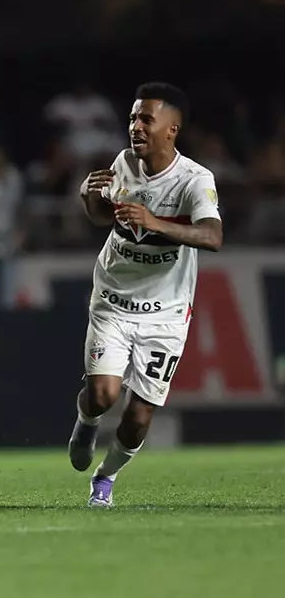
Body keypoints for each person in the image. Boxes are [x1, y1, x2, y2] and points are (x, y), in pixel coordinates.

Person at [69, 83, 222, 507]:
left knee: (139, 417)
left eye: (146, 119)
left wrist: (156, 222)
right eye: (133, 117)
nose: (135, 126)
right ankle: (86, 422)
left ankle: (106, 478)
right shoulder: (123, 164)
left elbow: (212, 236)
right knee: (102, 395)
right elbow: (108, 220)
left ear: (171, 129)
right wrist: (89, 200)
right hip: (113, 299)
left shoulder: (194, 180)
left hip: (167, 313)